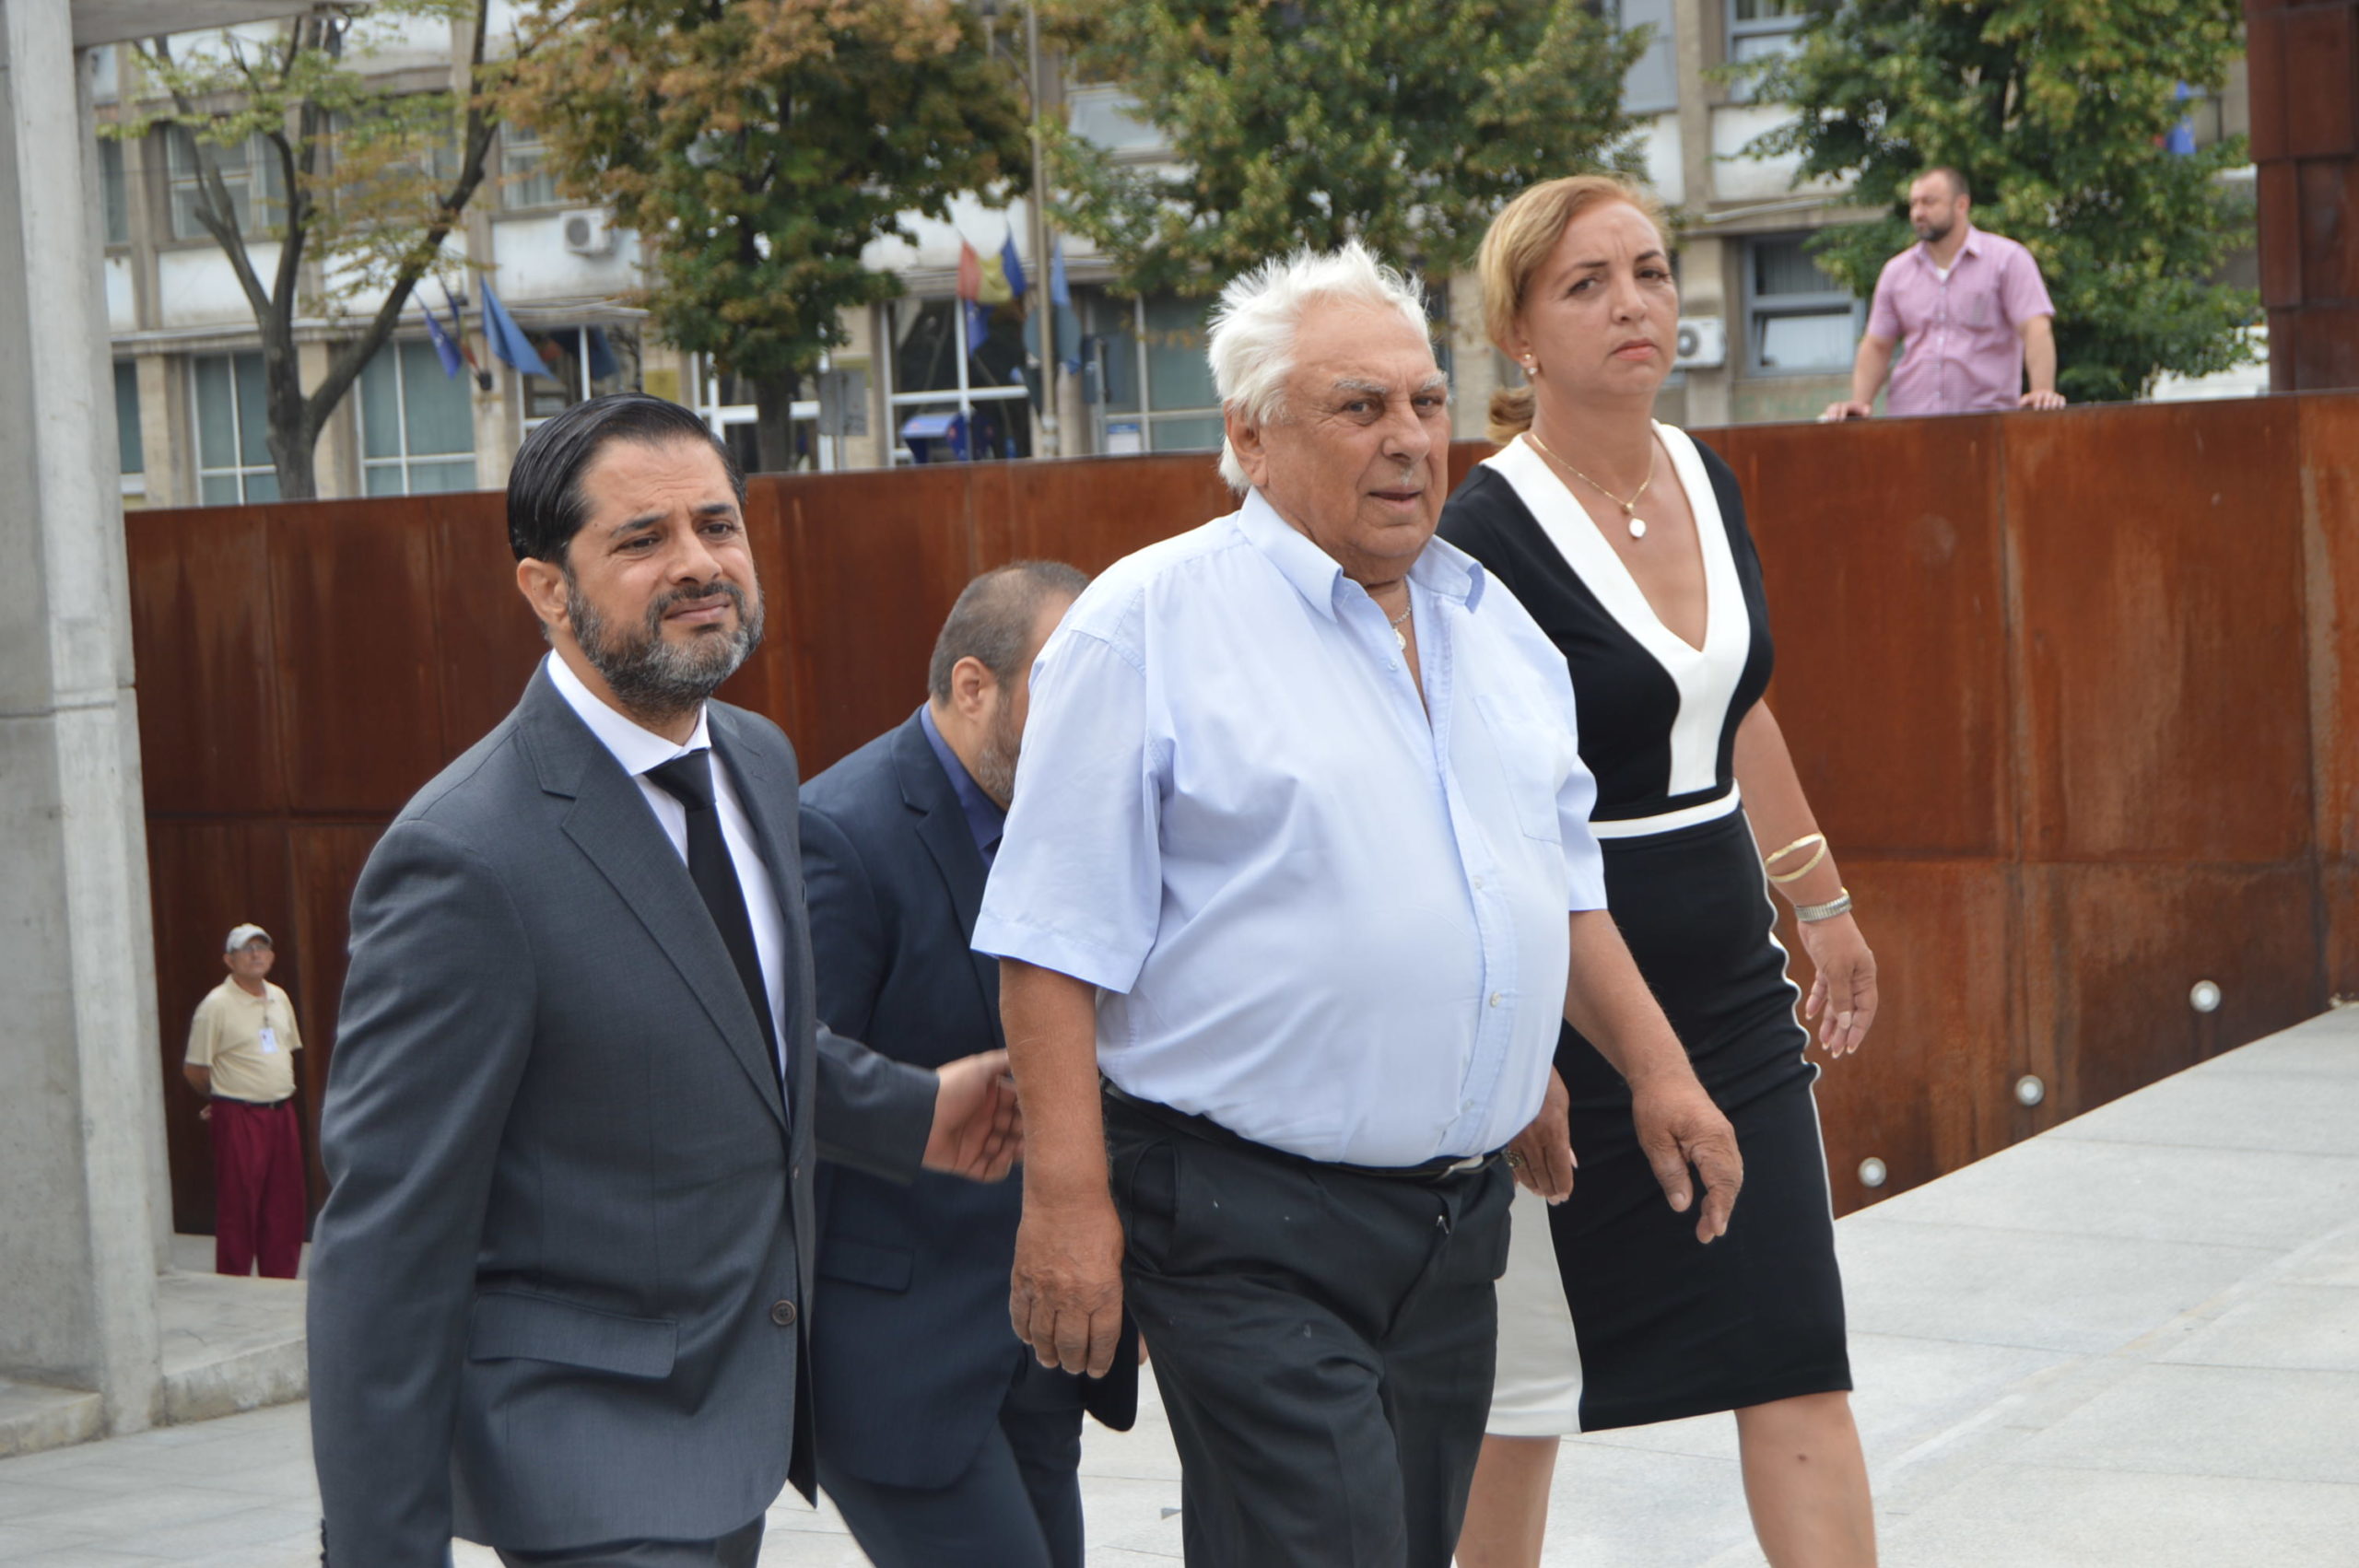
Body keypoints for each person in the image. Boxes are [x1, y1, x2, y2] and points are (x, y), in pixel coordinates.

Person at [972, 241, 1743, 1568]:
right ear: (1250, 436)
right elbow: (1050, 943)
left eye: (1425, 403)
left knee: (1379, 1540)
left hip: (1453, 1225)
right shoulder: (1142, 626)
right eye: (1360, 407)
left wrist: (1650, 1073)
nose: (1409, 440)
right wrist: (1066, 1202)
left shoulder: (1493, 624)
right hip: (1236, 1215)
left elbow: (1550, 887)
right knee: (1338, 1541)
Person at [306, 392, 1024, 1568]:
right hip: (581, 1455)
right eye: (642, 540)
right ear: (546, 588)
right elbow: (384, 1246)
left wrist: (915, 1112)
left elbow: (735, 1038)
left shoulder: (752, 756)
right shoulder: (463, 856)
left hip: (737, 1422)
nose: (699, 564)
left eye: (717, 526)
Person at [1442, 174, 1882, 1568]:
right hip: (1558, 993)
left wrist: (1822, 901)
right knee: (1519, 1404)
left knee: (1799, 1354)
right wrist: (1549, 1049)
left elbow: (1731, 700)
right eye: (1586, 284)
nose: (1634, 303)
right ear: (1518, 329)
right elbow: (1490, 813)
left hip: (1732, 988)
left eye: (1647, 271)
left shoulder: (1705, 470)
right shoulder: (1481, 536)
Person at [800, 561, 1137, 1568]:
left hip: (1041, 1345)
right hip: (898, 1359)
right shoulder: (838, 830)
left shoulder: (1076, 824)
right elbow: (776, 1064)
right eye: (1060, 684)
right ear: (973, 684)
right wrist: (919, 1108)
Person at [1821, 166, 2065, 421]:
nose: (1918, 213)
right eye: (1913, 204)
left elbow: (2035, 327)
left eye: (1929, 202)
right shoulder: (1896, 272)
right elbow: (1877, 344)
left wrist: (2042, 393)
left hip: (1985, 420)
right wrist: (1861, 403)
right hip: (1911, 422)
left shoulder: (2008, 260)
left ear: (1961, 205)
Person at [182, 922, 306, 1279]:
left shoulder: (279, 997)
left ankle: (280, 1279)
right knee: (240, 1204)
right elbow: (194, 1069)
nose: (256, 955)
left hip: (281, 1111)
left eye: (262, 948)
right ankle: (234, 1280)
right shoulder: (215, 1006)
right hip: (239, 1114)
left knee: (284, 1203)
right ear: (229, 960)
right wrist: (220, 1096)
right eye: (246, 949)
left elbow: (286, 1051)